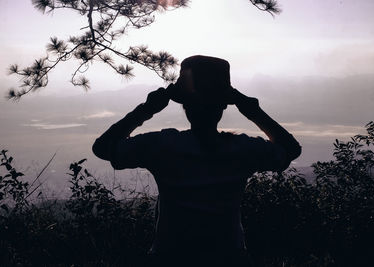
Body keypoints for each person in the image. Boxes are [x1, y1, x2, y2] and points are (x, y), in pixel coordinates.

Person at [92, 55, 301, 267]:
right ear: (223, 106)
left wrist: (147, 109)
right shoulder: (243, 149)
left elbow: (103, 147)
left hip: (169, 258)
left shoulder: (162, 146)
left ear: (186, 107)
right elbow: (290, 149)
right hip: (229, 259)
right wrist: (252, 110)